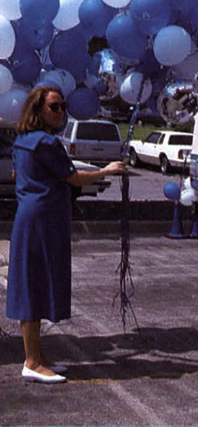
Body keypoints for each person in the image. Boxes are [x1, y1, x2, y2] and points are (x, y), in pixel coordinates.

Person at [5, 85, 126, 384]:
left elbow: (16, 175)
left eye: (62, 106)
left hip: (31, 218)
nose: (61, 112)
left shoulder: (22, 141)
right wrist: (107, 170)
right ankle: (32, 362)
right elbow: (73, 178)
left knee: (34, 284)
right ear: (39, 110)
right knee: (34, 287)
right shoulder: (46, 143)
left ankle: (37, 356)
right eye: (55, 107)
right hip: (42, 221)